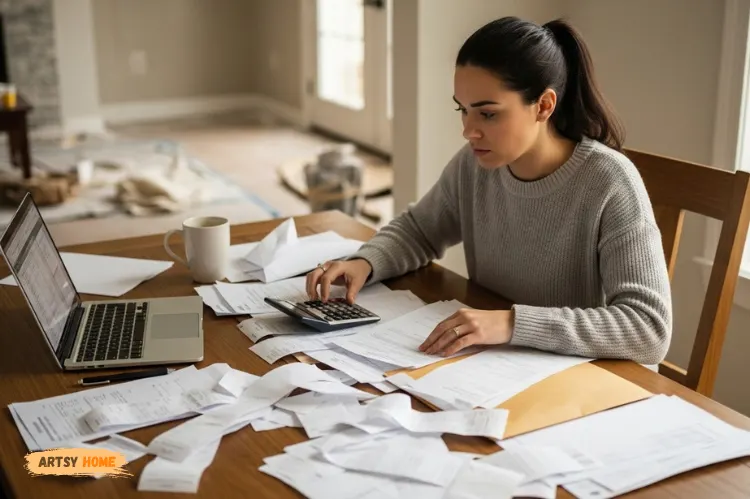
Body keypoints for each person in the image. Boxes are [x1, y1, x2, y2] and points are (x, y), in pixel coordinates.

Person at [306, 16, 672, 365]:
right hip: (496, 364)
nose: (469, 131)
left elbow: (648, 329)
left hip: (577, 381)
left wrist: (512, 324)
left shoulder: (609, 181)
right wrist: (365, 262)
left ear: (544, 105)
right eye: (463, 110)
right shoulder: (475, 165)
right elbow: (420, 230)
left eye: (488, 114)